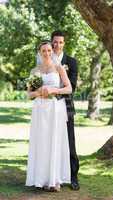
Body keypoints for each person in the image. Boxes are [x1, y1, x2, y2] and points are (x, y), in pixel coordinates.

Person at [25, 40, 72, 192]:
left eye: (49, 50)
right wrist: (38, 92)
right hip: (39, 109)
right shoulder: (34, 71)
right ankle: (42, 179)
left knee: (54, 141)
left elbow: (69, 88)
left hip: (54, 109)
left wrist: (54, 90)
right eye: (44, 51)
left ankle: (54, 180)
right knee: (42, 142)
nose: (47, 53)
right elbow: (29, 95)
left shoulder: (59, 68)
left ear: (53, 51)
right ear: (39, 53)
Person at [51, 30, 80, 190]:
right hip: (48, 109)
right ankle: (53, 175)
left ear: (64, 43)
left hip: (65, 107)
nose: (57, 45)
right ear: (51, 42)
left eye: (61, 42)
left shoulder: (72, 62)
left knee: (70, 142)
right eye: (55, 42)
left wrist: (55, 91)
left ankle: (73, 177)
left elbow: (73, 86)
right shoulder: (45, 59)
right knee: (51, 142)